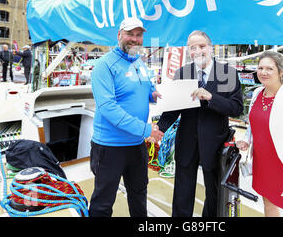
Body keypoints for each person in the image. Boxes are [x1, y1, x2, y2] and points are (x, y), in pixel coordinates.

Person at [156, 30, 243, 217]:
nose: (197, 51)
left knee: (214, 193)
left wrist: (211, 97)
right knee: (182, 192)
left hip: (215, 142)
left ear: (211, 48)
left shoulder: (227, 73)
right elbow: (174, 107)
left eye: (201, 46)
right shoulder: (183, 72)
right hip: (186, 141)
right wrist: (159, 128)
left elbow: (236, 108)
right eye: (192, 48)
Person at [88, 17, 164, 217]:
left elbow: (145, 90)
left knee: (139, 195)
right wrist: (147, 130)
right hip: (109, 146)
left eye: (139, 35)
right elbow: (108, 108)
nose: (135, 39)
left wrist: (153, 95)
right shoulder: (104, 65)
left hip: (136, 145)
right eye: (130, 34)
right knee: (103, 202)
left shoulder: (140, 63)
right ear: (119, 35)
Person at [236, 51, 283, 217]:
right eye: (260, 68)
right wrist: (247, 140)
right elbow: (254, 124)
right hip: (262, 164)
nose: (263, 72)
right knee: (268, 205)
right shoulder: (257, 93)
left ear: (280, 72)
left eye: (269, 68)